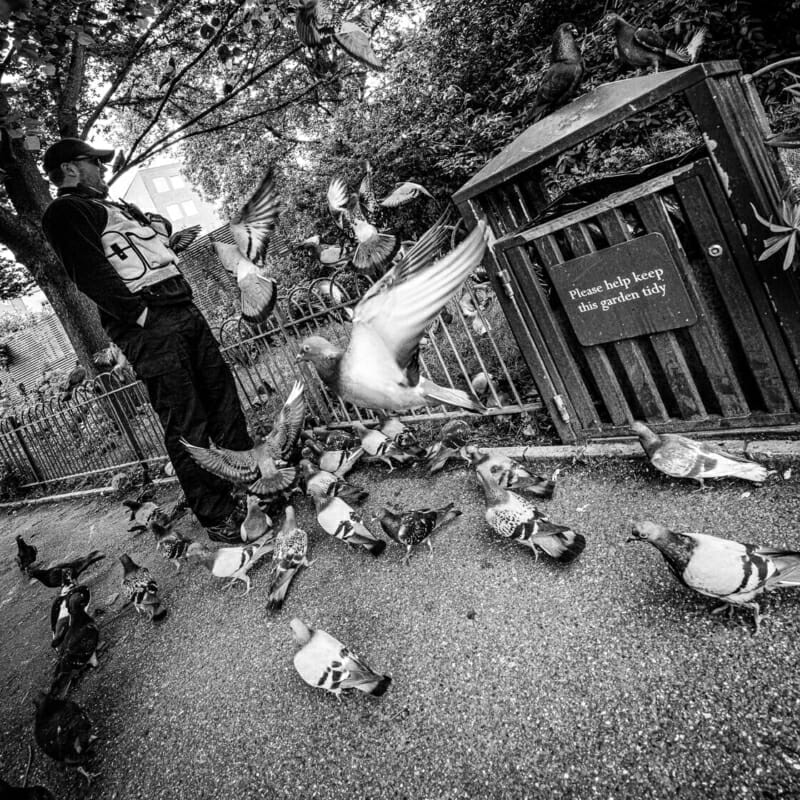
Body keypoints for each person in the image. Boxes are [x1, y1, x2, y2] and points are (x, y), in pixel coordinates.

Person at [41, 137, 251, 543]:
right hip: (149, 323)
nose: (102, 170)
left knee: (222, 402)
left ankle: (250, 486)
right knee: (185, 418)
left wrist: (159, 228)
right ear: (69, 168)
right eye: (94, 163)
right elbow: (88, 272)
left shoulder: (115, 207)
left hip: (183, 307)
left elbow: (161, 231)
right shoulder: (65, 211)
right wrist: (139, 315)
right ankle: (216, 513)